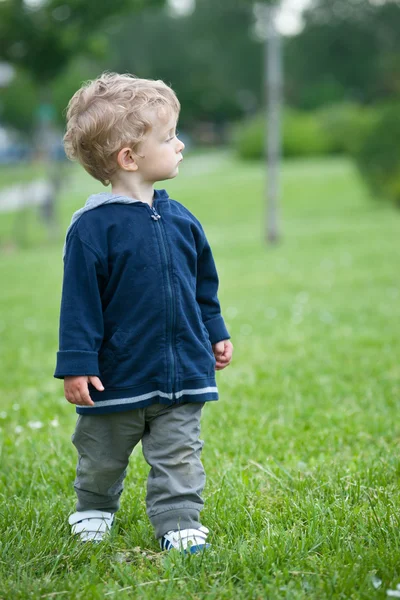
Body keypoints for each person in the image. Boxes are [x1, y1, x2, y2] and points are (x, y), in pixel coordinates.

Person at [54, 72, 233, 552]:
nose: (179, 145)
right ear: (129, 157)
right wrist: (76, 364)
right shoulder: (93, 229)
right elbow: (79, 304)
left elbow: (203, 285)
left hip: (182, 371)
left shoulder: (181, 219)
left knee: (179, 453)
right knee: (101, 453)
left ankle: (178, 521)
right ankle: (93, 508)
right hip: (118, 375)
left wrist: (214, 329)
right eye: (169, 136)